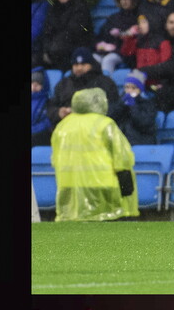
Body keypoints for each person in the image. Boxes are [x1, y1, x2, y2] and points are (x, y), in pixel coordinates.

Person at [50, 87, 139, 222]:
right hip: (103, 189)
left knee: (78, 240)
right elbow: (121, 155)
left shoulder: (62, 126)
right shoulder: (104, 124)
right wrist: (125, 182)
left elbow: (55, 159)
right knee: (110, 239)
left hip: (70, 191)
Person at [46, 46, 122, 128]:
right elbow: (51, 106)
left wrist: (85, 113)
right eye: (76, 64)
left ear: (91, 64)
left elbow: (114, 107)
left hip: (95, 128)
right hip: (67, 128)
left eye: (83, 64)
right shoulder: (63, 84)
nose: (79, 68)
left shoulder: (105, 82)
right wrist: (58, 113)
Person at [138, 10, 174, 113]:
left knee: (162, 96)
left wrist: (145, 71)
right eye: (171, 22)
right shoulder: (161, 41)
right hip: (164, 84)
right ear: (166, 25)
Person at [38, 0, 95, 72]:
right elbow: (47, 32)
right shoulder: (53, 8)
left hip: (76, 47)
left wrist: (53, 47)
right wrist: (46, 49)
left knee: (59, 52)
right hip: (55, 49)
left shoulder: (80, 7)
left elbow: (74, 31)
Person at [93, 0, 143, 74]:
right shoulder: (114, 17)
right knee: (94, 58)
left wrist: (121, 36)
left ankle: (107, 86)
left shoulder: (140, 18)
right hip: (108, 51)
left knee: (108, 60)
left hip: (126, 54)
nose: (124, 1)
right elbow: (102, 35)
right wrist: (101, 45)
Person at [112, 69, 158, 145]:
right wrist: (121, 105)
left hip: (140, 142)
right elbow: (111, 117)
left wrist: (133, 106)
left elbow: (143, 123)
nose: (129, 91)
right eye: (127, 87)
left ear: (140, 90)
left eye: (133, 88)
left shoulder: (148, 104)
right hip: (121, 142)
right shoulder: (121, 102)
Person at [32, 69, 54, 146]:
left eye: (38, 83)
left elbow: (47, 121)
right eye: (32, 83)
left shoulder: (48, 102)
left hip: (38, 135)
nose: (34, 86)